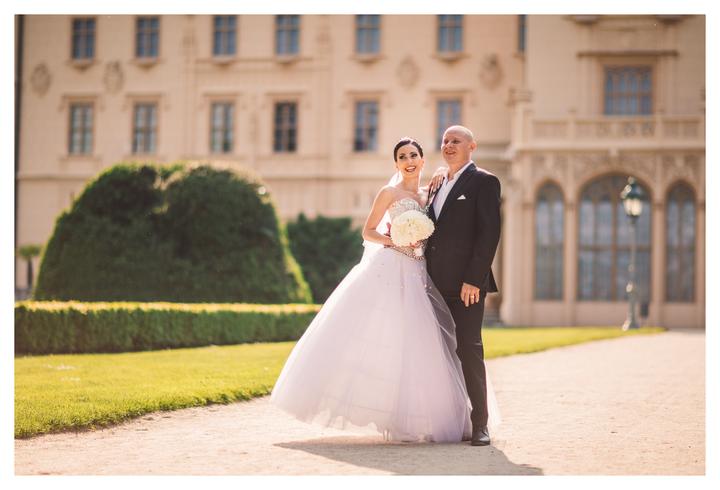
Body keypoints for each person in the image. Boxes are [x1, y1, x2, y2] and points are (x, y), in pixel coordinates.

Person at [270, 137, 500, 443]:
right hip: (392, 267)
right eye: (402, 156)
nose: (409, 161)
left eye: (413, 155)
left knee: (423, 346)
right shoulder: (389, 192)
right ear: (396, 164)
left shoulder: (430, 192)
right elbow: (368, 231)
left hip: (421, 273)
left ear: (422, 160)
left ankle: (447, 417)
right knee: (388, 339)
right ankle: (396, 416)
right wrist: (396, 241)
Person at [425, 125, 502, 446]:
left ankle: (480, 424)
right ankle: (449, 422)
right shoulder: (437, 183)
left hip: (466, 287)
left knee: (469, 350)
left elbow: (489, 233)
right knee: (437, 353)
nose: (448, 145)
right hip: (431, 284)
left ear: (472, 146)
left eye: (455, 140)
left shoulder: (485, 181)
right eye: (445, 141)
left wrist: (474, 278)